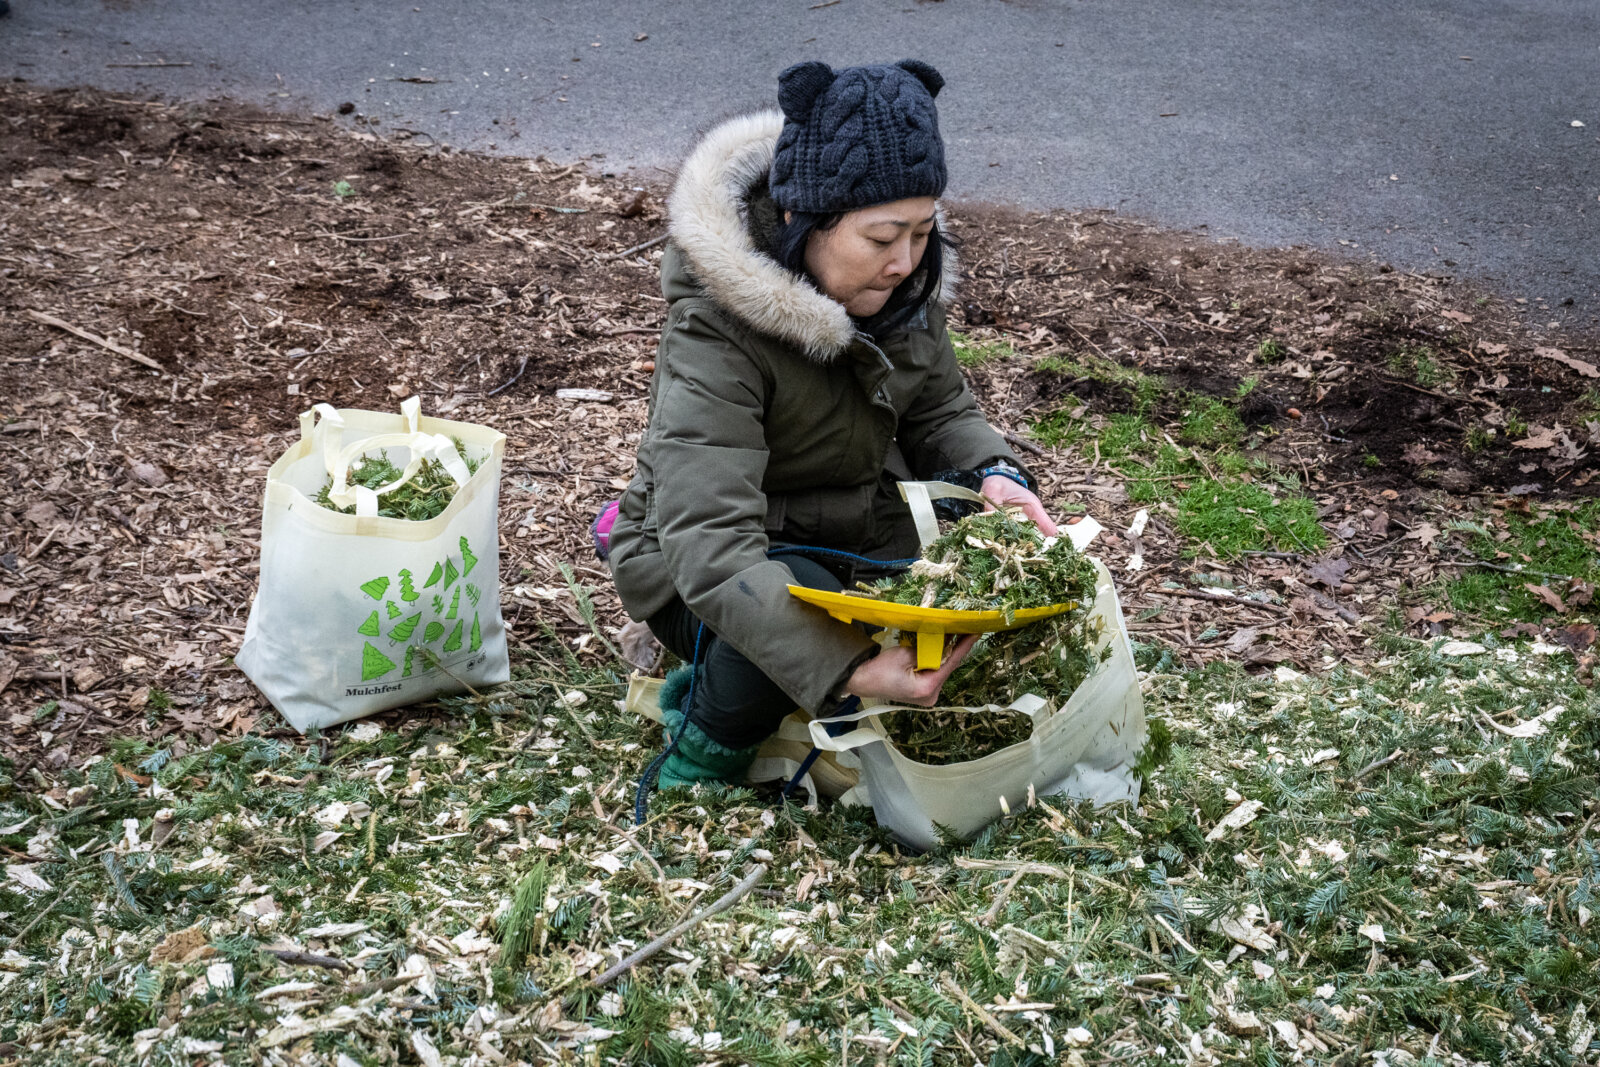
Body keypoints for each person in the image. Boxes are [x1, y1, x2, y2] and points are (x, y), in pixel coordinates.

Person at [606, 59, 1059, 787]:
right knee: (797, 587)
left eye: (922, 232)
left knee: (994, 560)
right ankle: (704, 744)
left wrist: (994, 478)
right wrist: (853, 667)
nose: (905, 263)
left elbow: (941, 409)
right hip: (701, 567)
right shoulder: (715, 328)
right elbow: (712, 549)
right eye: (881, 239)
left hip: (857, 536)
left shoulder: (905, 289)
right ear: (800, 218)